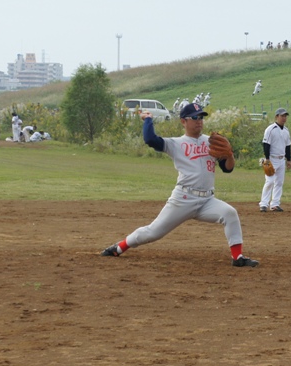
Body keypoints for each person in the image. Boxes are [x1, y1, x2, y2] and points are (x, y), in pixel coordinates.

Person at [101, 102, 259, 268]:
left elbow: (227, 169)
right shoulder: (175, 144)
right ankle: (119, 247)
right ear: (183, 121)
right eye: (195, 117)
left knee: (229, 213)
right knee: (153, 232)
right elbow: (150, 139)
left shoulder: (211, 142)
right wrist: (148, 120)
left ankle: (238, 257)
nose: (199, 121)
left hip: (207, 200)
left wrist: (230, 155)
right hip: (183, 198)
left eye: (201, 117)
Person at [259, 108, 291, 212]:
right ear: (276, 116)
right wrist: (267, 159)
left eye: (285, 116)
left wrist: (289, 159)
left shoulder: (286, 131)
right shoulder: (270, 129)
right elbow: (266, 144)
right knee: (269, 181)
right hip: (272, 159)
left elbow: (288, 146)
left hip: (282, 159)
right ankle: (263, 204)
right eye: (282, 116)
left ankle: (275, 204)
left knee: (279, 182)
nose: (284, 118)